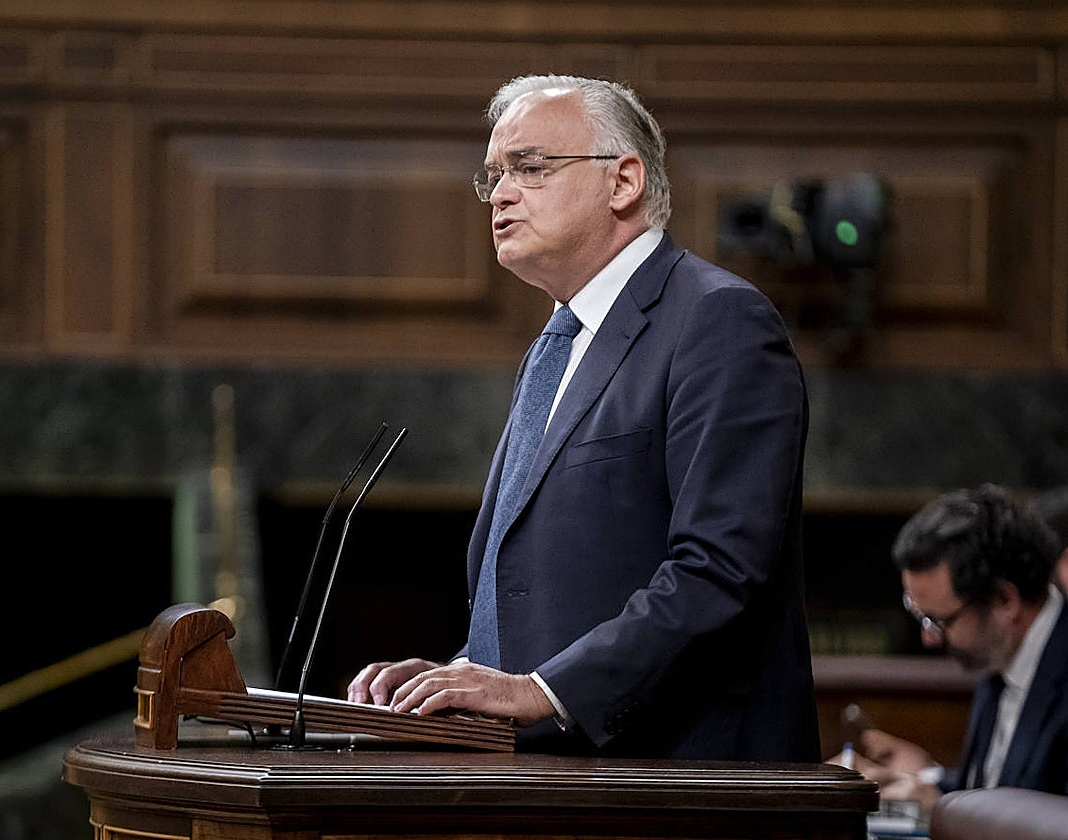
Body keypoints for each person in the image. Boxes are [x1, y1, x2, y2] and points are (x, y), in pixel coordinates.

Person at [347, 74, 818, 760]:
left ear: (623, 182)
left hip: (687, 788)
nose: (501, 193)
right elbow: (557, 585)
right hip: (561, 783)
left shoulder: (718, 320)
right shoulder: (554, 347)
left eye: (530, 168)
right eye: (493, 177)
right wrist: (462, 678)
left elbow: (719, 569)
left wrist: (541, 691)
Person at [844, 484, 1068, 801]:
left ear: (1004, 600)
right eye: (920, 617)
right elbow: (992, 788)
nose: (929, 638)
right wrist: (924, 778)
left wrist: (946, 810)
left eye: (940, 621)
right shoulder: (999, 652)